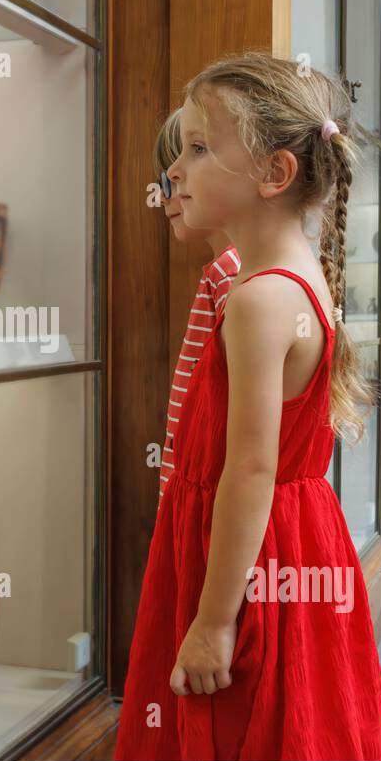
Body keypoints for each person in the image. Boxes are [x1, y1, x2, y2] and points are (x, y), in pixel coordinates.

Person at [115, 51, 381, 761]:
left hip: (248, 553)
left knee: (247, 717)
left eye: (198, 148)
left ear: (275, 173)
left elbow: (249, 469)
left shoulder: (259, 299)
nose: (174, 170)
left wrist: (215, 620)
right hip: (286, 541)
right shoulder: (291, 278)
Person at [150, 108, 241, 513]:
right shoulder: (222, 274)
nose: (164, 194)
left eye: (174, 179)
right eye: (163, 180)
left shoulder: (233, 277)